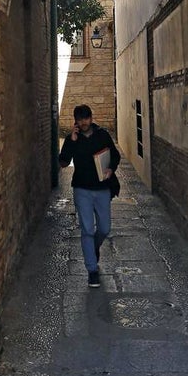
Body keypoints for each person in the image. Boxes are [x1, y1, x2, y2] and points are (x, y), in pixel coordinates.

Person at [58, 104, 120, 288]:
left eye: (86, 118)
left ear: (91, 118)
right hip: (82, 189)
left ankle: (93, 248)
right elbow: (63, 162)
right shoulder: (72, 138)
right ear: (75, 120)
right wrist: (71, 140)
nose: (84, 122)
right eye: (80, 119)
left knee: (104, 228)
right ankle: (92, 270)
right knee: (86, 229)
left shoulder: (102, 135)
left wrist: (110, 169)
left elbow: (115, 155)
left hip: (102, 188)